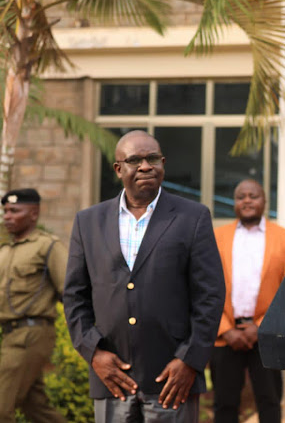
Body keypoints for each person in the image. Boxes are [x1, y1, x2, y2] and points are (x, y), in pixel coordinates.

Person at [63, 130, 225, 423]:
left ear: (163, 163)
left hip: (172, 381)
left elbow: (210, 296)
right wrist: (94, 353)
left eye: (152, 159)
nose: (145, 166)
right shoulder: (88, 222)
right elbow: (75, 296)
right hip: (112, 378)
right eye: (134, 160)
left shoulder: (193, 217)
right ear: (118, 169)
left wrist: (190, 360)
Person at [210, 179, 285, 423]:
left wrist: (259, 328)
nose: (247, 200)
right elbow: (205, 287)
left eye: (253, 196)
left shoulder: (284, 238)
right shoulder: (217, 237)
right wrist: (226, 330)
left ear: (264, 201)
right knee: (224, 406)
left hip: (266, 334)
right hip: (226, 335)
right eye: (241, 196)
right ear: (235, 203)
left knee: (269, 404)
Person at [0, 188, 67, 423]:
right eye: (5, 211)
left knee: (1, 408)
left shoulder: (47, 246)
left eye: (14, 211)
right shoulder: (5, 252)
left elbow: (69, 290)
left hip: (31, 334)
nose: (7, 216)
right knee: (36, 408)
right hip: (10, 335)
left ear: (33, 213)